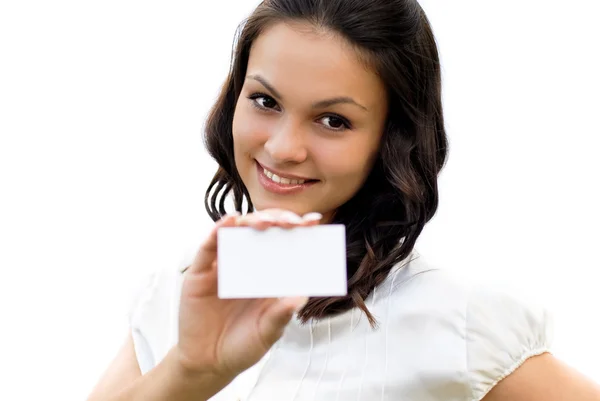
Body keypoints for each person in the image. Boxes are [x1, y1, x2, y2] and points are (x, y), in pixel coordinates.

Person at [87, 0, 600, 400]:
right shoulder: (175, 295)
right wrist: (192, 372)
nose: (284, 148)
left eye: (334, 120)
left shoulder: (452, 320)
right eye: (265, 101)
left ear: (391, 139)